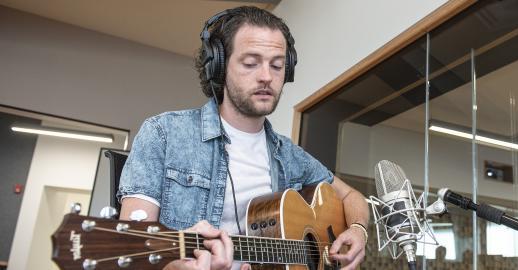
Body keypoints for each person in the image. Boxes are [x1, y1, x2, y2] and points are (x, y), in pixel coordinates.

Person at [117, 6, 368, 270]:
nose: (266, 77)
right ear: (219, 66)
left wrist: (358, 230)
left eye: (277, 66)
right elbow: (133, 252)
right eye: (250, 63)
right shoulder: (164, 134)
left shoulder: (291, 156)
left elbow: (352, 196)